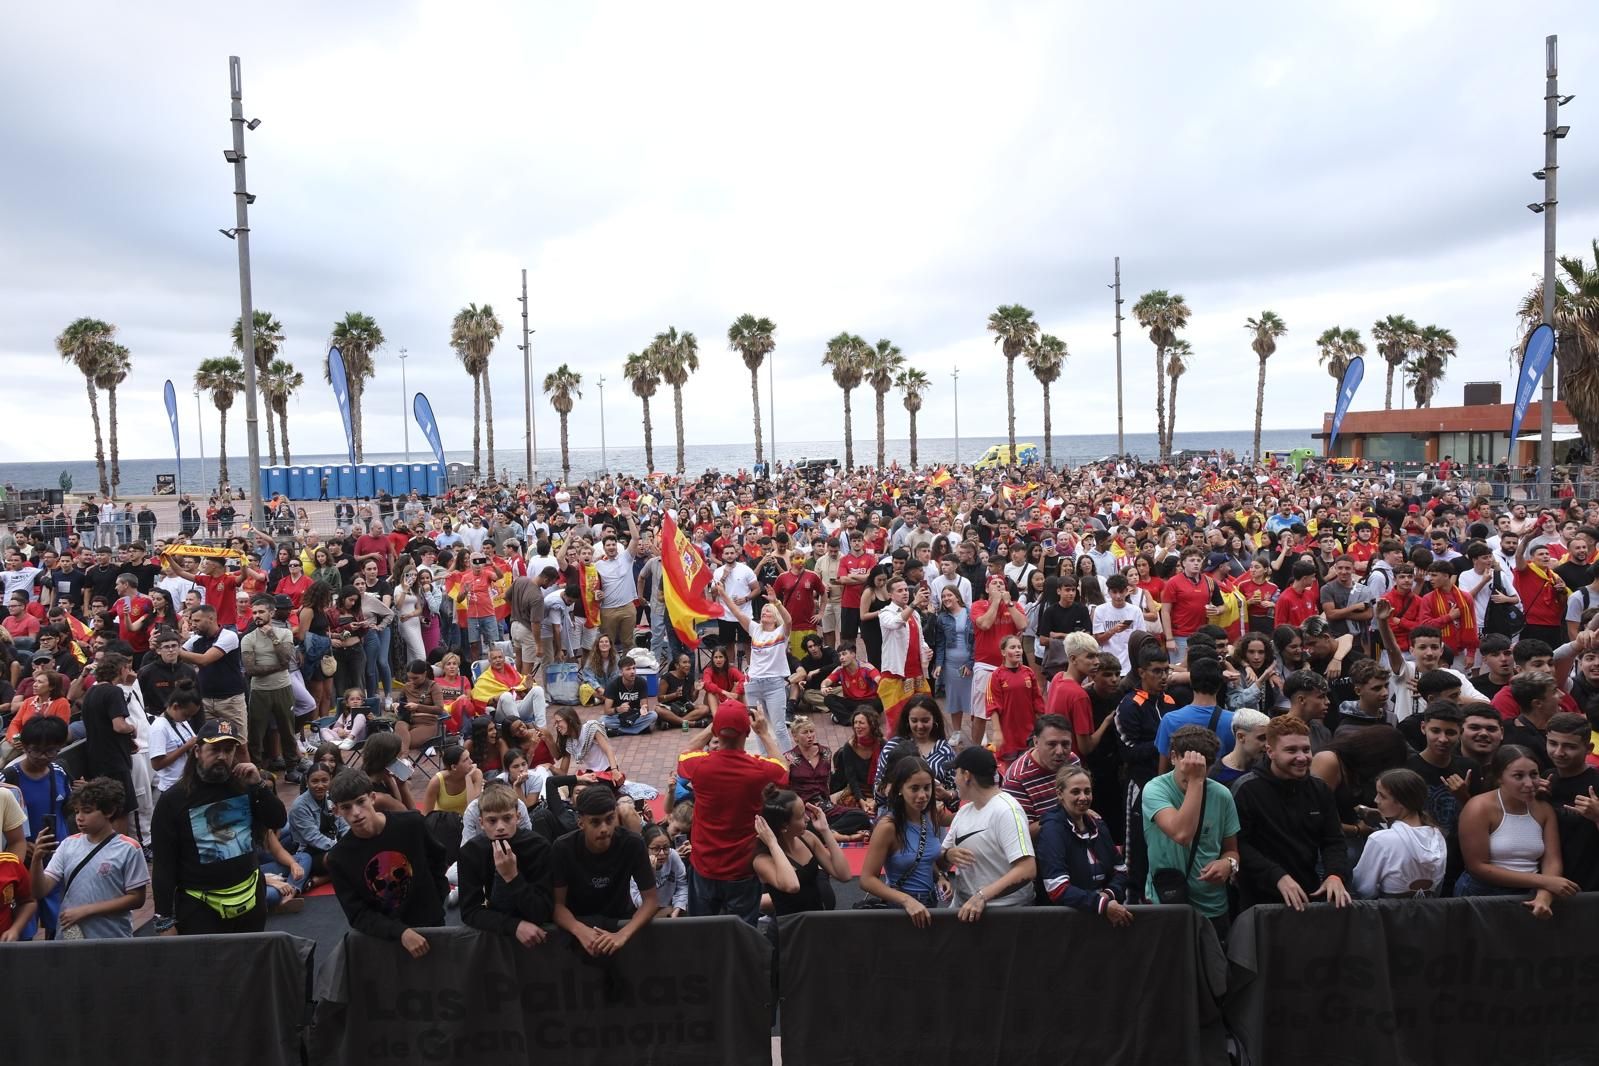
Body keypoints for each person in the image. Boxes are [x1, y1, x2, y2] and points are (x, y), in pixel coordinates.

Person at [149, 719, 288, 935]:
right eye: (214, 749)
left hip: (250, 897)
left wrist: (259, 785)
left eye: (228, 749)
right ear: (197, 751)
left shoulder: (245, 784)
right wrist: (164, 919)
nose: (222, 756)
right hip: (201, 906)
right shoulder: (173, 800)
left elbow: (278, 820)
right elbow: (164, 864)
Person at [675, 701, 788, 923]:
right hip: (742, 868)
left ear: (717, 732)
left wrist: (714, 726)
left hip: (704, 866)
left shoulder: (700, 765)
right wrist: (764, 733)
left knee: (701, 934)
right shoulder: (758, 768)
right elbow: (783, 768)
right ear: (747, 733)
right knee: (743, 938)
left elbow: (686, 752)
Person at [1233, 716, 1352, 911]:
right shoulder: (1247, 790)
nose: (1302, 757)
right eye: (1291, 750)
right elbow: (1238, 845)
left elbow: (1333, 839)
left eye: (1306, 749)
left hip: (1308, 894)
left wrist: (1334, 875)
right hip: (1258, 900)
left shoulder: (1319, 789)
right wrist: (1276, 875)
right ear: (1270, 752)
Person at [327, 767, 449, 957]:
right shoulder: (338, 858)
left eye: (360, 802)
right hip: (384, 938)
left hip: (430, 922)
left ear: (373, 797)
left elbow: (438, 858)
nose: (356, 813)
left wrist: (438, 898)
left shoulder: (412, 824)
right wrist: (398, 932)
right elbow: (357, 913)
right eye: (346, 807)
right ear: (336, 811)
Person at [1142, 725, 1241, 934]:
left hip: (1212, 906)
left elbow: (1231, 849)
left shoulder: (1222, 795)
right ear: (1173, 757)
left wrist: (1228, 864)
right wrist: (1196, 780)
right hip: (1168, 900)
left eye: (1200, 770)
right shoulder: (1155, 789)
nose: (1191, 776)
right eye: (1186, 771)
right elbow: (1182, 834)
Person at [26, 777, 148, 939]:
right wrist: (37, 860)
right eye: (77, 811)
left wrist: (86, 910)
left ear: (109, 811)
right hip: (72, 936)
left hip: (112, 936)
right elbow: (39, 891)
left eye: (87, 811)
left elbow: (136, 898)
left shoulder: (129, 848)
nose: (79, 817)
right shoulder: (68, 845)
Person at [551, 785, 658, 956]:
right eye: (595, 822)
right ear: (580, 822)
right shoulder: (562, 847)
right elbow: (557, 905)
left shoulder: (633, 843)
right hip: (578, 923)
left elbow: (651, 900)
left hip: (620, 919)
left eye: (610, 819)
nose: (604, 829)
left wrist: (622, 934)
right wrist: (579, 930)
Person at [942, 745, 1036, 920]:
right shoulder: (964, 812)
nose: (954, 780)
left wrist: (982, 896)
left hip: (1005, 914)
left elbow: (1027, 869)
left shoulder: (1006, 811)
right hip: (966, 910)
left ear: (966, 775)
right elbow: (941, 860)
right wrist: (948, 855)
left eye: (956, 773)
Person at [457, 781, 553, 946]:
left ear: (518, 817)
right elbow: (469, 911)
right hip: (498, 928)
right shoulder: (471, 852)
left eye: (507, 818)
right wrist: (514, 926)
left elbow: (542, 911)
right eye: (492, 821)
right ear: (481, 823)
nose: (500, 827)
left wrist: (512, 876)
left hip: (535, 927)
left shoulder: (538, 847)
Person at [1037, 765, 1132, 924]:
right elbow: (1057, 888)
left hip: (1105, 916)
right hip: (1066, 925)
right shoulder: (1052, 831)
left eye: (1087, 791)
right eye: (1075, 792)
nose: (1083, 797)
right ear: (1060, 794)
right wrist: (1101, 904)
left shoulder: (1098, 825)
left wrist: (1107, 896)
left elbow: (1121, 871)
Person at [859, 756, 947, 925]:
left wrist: (940, 877)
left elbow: (924, 859)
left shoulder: (928, 817)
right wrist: (907, 900)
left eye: (927, 788)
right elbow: (866, 879)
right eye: (914, 788)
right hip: (901, 909)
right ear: (900, 788)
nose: (922, 795)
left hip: (930, 903)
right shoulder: (888, 827)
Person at [713, 579, 793, 751]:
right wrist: (723, 594)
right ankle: (763, 761)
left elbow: (788, 620)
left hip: (774, 685)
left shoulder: (781, 633)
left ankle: (789, 763)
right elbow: (736, 612)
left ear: (774, 616)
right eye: (763, 610)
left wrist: (776, 602)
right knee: (758, 727)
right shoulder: (755, 629)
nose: (765, 612)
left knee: (779, 728)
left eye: (768, 611)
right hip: (754, 684)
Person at [752, 785, 850, 916]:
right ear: (784, 825)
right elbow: (792, 886)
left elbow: (844, 875)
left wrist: (825, 830)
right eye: (801, 816)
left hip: (816, 921)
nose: (807, 818)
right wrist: (773, 844)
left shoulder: (807, 838)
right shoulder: (762, 860)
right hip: (790, 928)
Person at [1351, 768, 1447, 898]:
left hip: (1387, 914)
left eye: (1382, 795)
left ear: (1402, 802)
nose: (1376, 800)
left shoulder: (1381, 839)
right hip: (1428, 913)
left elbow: (1363, 888)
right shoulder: (1437, 836)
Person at [1543, 711, 1599, 892]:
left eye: (1569, 747)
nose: (1559, 752)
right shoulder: (1544, 779)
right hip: (1549, 883)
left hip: (1590, 886)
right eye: (1553, 743)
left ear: (1588, 749)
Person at [1000, 714, 1077, 837]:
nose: (1060, 752)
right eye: (1052, 744)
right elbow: (1020, 833)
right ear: (1036, 742)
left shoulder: (1072, 761)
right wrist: (1067, 813)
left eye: (1065, 744)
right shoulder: (1017, 779)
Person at [601, 656, 660, 735]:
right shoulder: (613, 684)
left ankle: (618, 731)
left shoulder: (642, 682)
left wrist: (644, 708)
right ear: (621, 672)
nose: (632, 672)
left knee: (653, 715)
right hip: (618, 716)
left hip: (635, 716)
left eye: (634, 668)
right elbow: (606, 711)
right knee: (602, 720)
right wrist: (618, 709)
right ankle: (638, 729)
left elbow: (644, 705)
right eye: (628, 669)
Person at [1215, 708, 1269, 786]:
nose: (1267, 744)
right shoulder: (1217, 775)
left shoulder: (1270, 768)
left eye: (1269, 738)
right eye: (1262, 738)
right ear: (1241, 737)